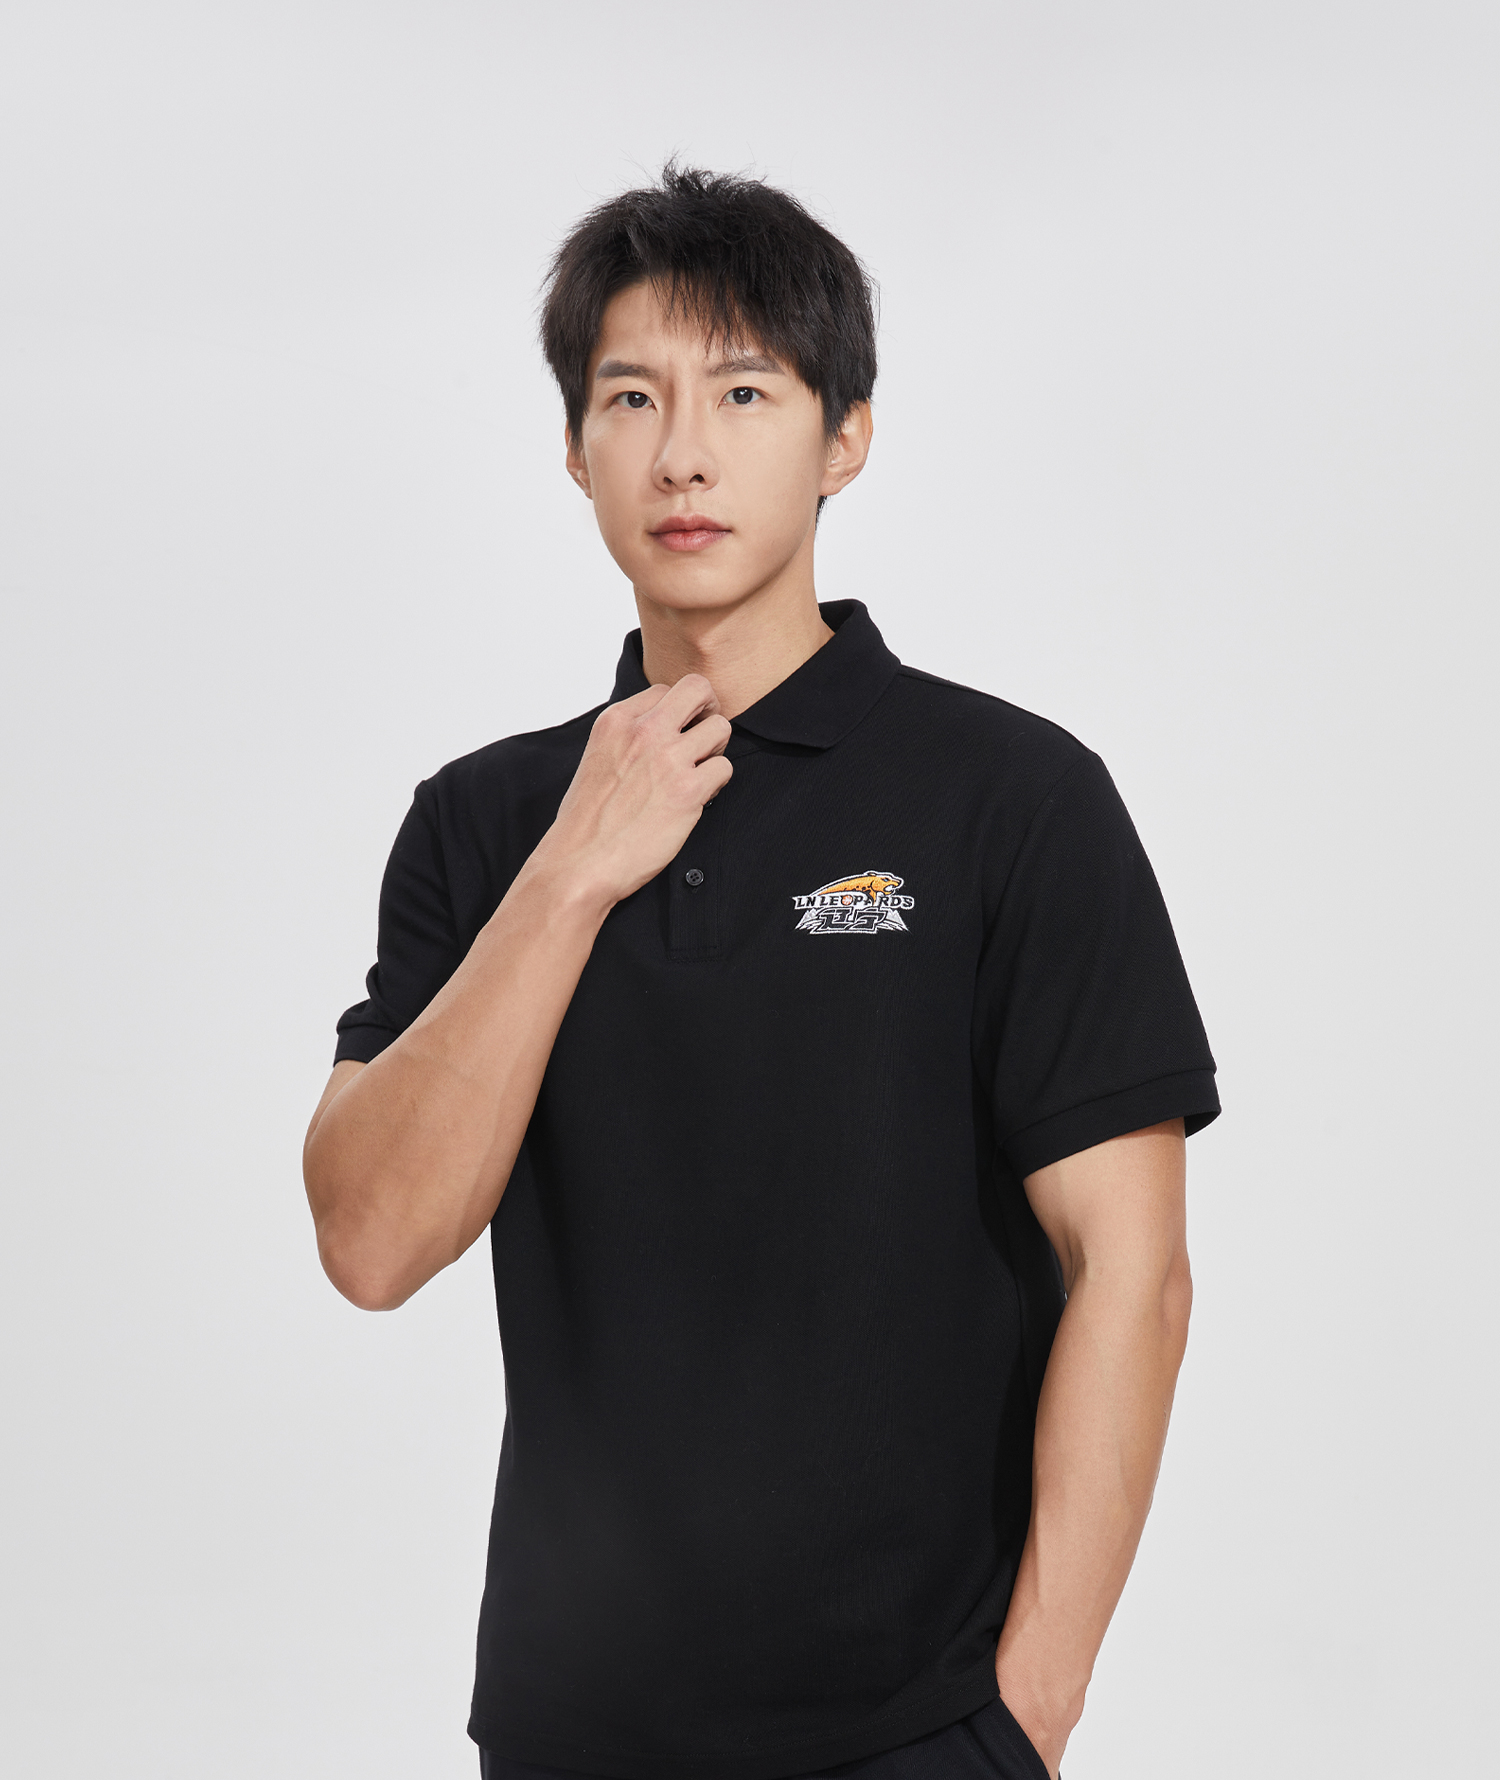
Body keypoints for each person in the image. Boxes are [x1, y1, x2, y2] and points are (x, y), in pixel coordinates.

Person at [303, 164, 1219, 1780]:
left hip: (916, 1728)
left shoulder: (1012, 798)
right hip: (567, 1728)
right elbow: (373, 1242)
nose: (683, 452)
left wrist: (1028, 1712)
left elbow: (1131, 1272)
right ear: (575, 449)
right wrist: (575, 871)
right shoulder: (484, 822)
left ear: (843, 436)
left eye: (743, 391)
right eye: (631, 397)